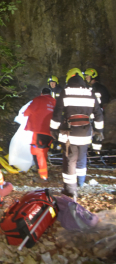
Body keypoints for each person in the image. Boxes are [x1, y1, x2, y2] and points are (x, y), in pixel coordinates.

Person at [50, 68, 104, 199]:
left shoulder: (65, 92)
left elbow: (57, 113)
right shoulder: (90, 93)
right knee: (82, 156)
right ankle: (80, 182)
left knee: (70, 160)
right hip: (85, 133)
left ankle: (70, 190)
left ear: (69, 79)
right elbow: (98, 115)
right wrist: (99, 131)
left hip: (69, 133)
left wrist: (53, 129)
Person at [23, 88, 56, 182]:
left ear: (41, 93)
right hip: (51, 132)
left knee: (39, 152)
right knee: (42, 151)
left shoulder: (38, 99)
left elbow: (27, 112)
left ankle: (43, 176)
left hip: (39, 130)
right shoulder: (54, 102)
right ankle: (40, 170)